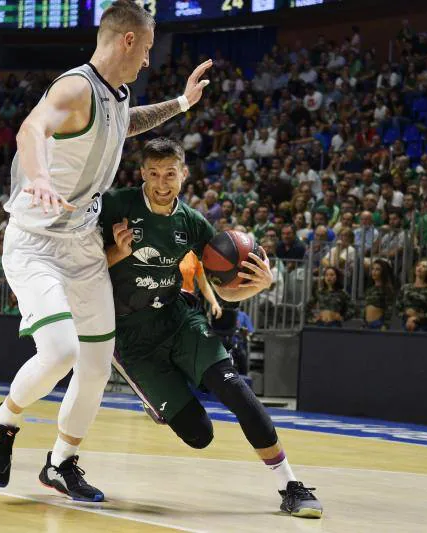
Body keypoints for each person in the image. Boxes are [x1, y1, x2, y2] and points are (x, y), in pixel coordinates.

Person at [0, 0, 213, 502]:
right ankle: (1, 423)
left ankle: (60, 463)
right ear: (128, 40)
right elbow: (30, 129)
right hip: (36, 241)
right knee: (60, 350)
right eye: (147, 48)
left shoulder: (116, 93)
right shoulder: (76, 86)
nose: (149, 59)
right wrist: (39, 177)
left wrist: (182, 104)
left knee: (97, 364)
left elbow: (125, 124)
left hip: (82, 242)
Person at [100, 138, 322, 518]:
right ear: (142, 174)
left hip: (178, 319)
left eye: (170, 173)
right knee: (200, 435)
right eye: (153, 173)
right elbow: (80, 270)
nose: (161, 182)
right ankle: (160, 393)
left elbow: (225, 290)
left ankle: (291, 486)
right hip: (131, 338)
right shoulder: (116, 205)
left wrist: (259, 284)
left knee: (235, 388)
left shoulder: (191, 222)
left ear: (183, 175)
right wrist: (115, 254)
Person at [396, 258, 427, 332]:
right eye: (418, 265)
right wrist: (406, 314)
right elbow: (397, 309)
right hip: (406, 324)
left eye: (424, 266)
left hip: (422, 326)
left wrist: (416, 317)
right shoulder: (405, 287)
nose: (420, 268)